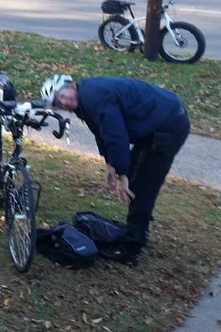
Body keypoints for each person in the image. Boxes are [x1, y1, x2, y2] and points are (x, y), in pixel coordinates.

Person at [41, 75, 190, 265]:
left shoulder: (93, 96)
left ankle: (131, 247)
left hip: (169, 124)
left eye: (62, 95)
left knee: (143, 185)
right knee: (138, 180)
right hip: (156, 124)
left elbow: (116, 134)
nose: (64, 102)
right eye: (58, 102)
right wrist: (110, 163)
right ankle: (136, 230)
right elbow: (100, 130)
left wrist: (122, 174)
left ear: (71, 85)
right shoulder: (85, 98)